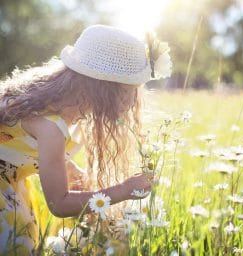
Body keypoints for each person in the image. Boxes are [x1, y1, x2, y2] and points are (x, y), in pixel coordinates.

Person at [0, 24, 171, 255]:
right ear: (104, 88)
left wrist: (68, 168)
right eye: (130, 91)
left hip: (11, 187)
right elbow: (58, 204)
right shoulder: (51, 127)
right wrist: (123, 190)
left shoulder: (57, 104)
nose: (133, 103)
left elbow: (17, 146)